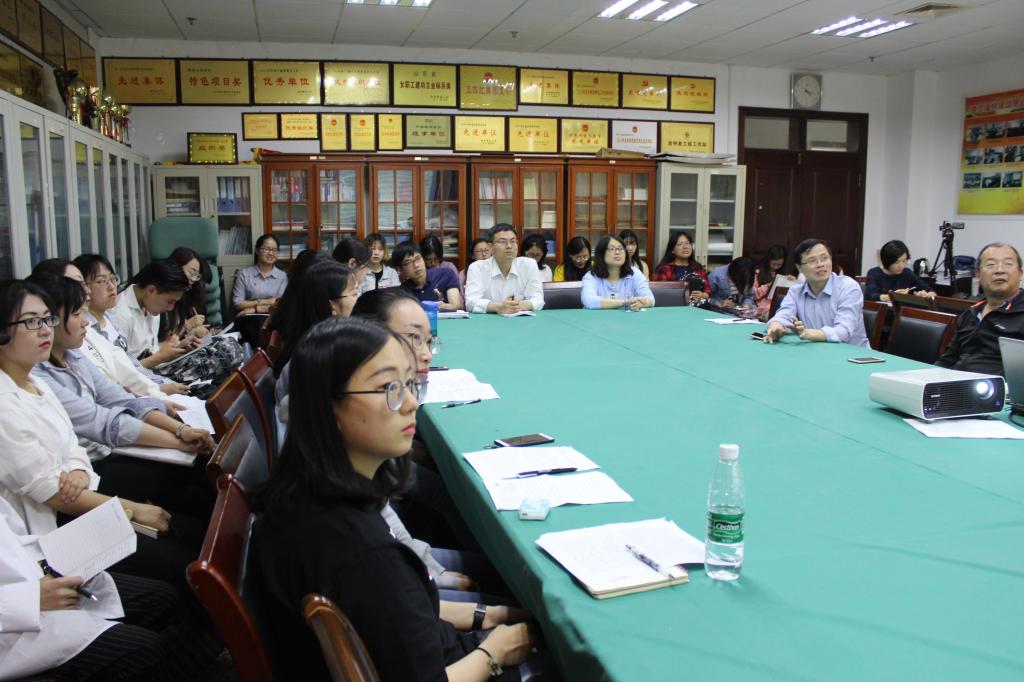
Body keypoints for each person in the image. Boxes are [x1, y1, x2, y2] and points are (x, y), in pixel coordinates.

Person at [253, 317, 539, 682]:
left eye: (409, 383)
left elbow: (396, 613)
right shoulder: (360, 551)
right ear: (328, 407)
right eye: (389, 387)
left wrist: (487, 616)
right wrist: (494, 653)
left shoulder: (307, 492)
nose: (411, 403)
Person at [351, 288, 508, 597]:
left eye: (428, 340)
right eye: (413, 339)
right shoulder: (351, 437)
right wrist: (479, 615)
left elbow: (381, 512)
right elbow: (393, 597)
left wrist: (433, 570)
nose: (426, 354)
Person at [74, 254, 189, 398]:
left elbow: (131, 364)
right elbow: (118, 378)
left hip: (148, 382)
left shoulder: (109, 317)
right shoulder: (90, 328)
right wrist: (158, 388)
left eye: (113, 279)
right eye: (101, 281)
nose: (111, 287)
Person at [937, 242, 1024, 376]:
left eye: (1008, 264)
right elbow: (948, 359)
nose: (999, 270)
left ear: (1020, 273)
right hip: (957, 383)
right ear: (977, 275)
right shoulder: (970, 313)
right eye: (990, 265)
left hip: (1000, 386)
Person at [764, 238, 869, 348]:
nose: (820, 264)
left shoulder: (848, 287)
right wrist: (775, 327)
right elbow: (783, 315)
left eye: (824, 258)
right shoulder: (796, 291)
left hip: (852, 354)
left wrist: (807, 333)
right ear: (799, 268)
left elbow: (843, 332)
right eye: (812, 261)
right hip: (817, 351)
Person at [273, 260, 358, 378]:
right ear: (331, 305)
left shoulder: (322, 340)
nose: (359, 299)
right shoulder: (319, 356)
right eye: (354, 294)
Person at [110, 260, 192, 369]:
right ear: (150, 290)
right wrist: (160, 358)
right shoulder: (120, 314)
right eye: (169, 301)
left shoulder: (150, 305)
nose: (170, 308)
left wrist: (179, 348)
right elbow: (121, 371)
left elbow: (151, 350)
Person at [464, 224, 545, 315]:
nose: (509, 246)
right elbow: (471, 303)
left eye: (513, 241)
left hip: (521, 320)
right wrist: (498, 307)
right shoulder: (477, 268)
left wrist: (517, 306)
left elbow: (538, 300)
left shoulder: (529, 265)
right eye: (502, 242)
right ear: (491, 247)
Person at [581, 235, 655, 311]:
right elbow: (588, 300)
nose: (617, 252)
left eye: (621, 249)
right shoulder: (591, 276)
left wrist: (641, 303)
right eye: (612, 249)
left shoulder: (635, 273)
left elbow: (650, 299)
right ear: (602, 253)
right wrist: (625, 302)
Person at [392, 241, 463, 312]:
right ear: (399, 269)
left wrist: (441, 307)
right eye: (408, 262)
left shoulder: (445, 274)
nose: (416, 265)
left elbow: (455, 305)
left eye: (418, 258)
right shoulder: (403, 292)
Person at [232, 234, 287, 315]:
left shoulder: (282, 276)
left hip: (273, 317)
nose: (271, 253)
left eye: (274, 250)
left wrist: (255, 309)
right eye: (267, 249)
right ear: (257, 250)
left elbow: (281, 304)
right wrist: (266, 301)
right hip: (249, 318)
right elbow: (237, 303)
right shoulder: (244, 274)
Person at [864, 240, 936, 302]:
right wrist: (892, 296)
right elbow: (870, 296)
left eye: (904, 261)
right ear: (887, 261)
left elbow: (932, 292)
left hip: (902, 312)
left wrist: (926, 295)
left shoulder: (907, 273)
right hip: (883, 312)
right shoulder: (874, 273)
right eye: (897, 262)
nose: (901, 265)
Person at [165, 246, 211, 342]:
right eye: (191, 273)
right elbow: (164, 343)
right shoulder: (163, 298)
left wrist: (195, 332)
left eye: (196, 275)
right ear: (175, 268)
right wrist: (187, 327)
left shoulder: (190, 293)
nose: (193, 279)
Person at [651, 232, 710, 300]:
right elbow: (661, 294)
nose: (685, 247)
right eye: (680, 244)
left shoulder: (698, 267)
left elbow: (708, 290)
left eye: (687, 243)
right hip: (675, 305)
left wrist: (703, 295)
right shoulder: (663, 269)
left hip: (700, 305)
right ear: (672, 250)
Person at [753, 245, 790, 321]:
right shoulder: (757, 273)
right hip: (762, 309)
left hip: (778, 306)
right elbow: (754, 295)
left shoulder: (782, 274)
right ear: (768, 261)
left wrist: (790, 281)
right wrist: (768, 286)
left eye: (779, 265)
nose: (776, 267)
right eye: (774, 264)